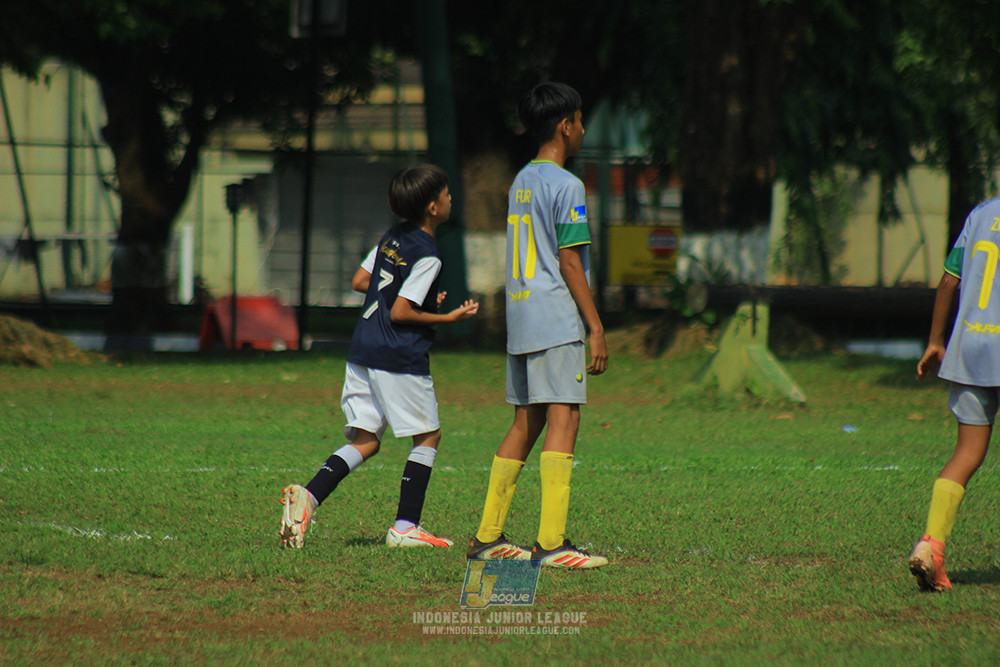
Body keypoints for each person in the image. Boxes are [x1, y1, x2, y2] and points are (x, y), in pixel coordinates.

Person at [279, 163, 478, 550]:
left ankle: (309, 497)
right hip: (397, 357)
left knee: (367, 440)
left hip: (363, 352)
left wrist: (413, 297)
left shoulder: (393, 237)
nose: (451, 198)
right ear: (433, 207)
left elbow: (361, 281)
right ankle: (405, 527)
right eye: (447, 193)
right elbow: (402, 311)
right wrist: (447, 316)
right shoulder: (429, 253)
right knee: (429, 435)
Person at [466, 82, 609, 569]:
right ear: (566, 125)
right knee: (564, 416)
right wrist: (595, 325)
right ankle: (551, 544)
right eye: (581, 120)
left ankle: (488, 536)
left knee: (526, 421)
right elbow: (570, 263)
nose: (584, 129)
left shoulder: (522, 180)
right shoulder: (567, 185)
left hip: (521, 315)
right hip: (555, 316)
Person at [911, 195, 1000, 590]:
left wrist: (935, 339)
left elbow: (950, 279)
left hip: (970, 346)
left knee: (966, 454)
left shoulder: (981, 214)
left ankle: (932, 546)